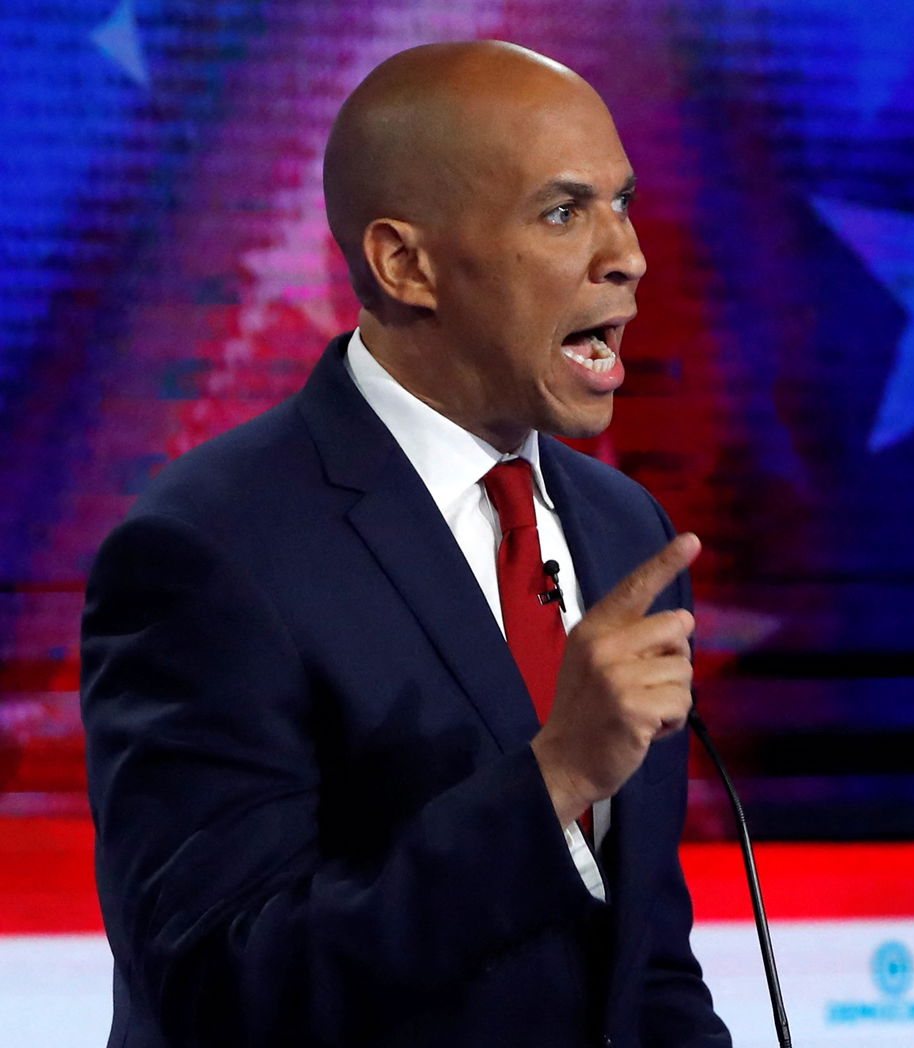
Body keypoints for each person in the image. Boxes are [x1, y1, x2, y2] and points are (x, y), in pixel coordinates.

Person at [80, 41, 731, 1048]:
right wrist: (552, 779)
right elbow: (218, 990)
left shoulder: (618, 526)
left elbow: (640, 959)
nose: (627, 253)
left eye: (623, 200)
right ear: (405, 264)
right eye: (565, 211)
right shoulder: (205, 549)